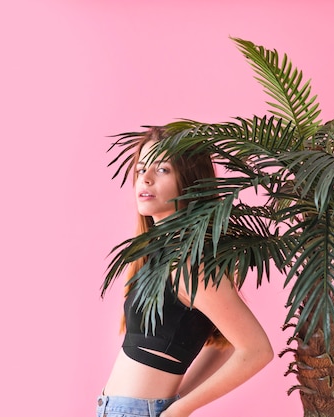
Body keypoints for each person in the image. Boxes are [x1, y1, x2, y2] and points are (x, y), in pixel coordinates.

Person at [98, 127, 274, 417]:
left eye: (163, 169)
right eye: (141, 168)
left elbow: (256, 350)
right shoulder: (160, 254)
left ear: (190, 181)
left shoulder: (188, 264)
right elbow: (224, 345)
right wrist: (176, 403)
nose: (146, 178)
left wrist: (177, 410)